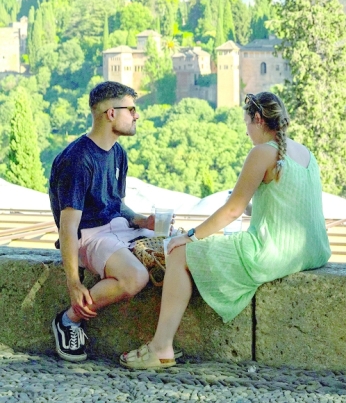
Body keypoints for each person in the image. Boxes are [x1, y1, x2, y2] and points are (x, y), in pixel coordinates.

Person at [119, 91, 330, 370]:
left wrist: (189, 236)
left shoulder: (262, 152)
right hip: (314, 251)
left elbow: (232, 210)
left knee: (179, 254)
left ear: (258, 119)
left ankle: (161, 347)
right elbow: (287, 204)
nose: (247, 132)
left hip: (275, 253)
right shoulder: (305, 153)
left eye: (247, 123)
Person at [48, 81, 157, 362]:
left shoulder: (118, 153)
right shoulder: (77, 160)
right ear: (111, 113)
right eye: (131, 109)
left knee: (178, 249)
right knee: (135, 277)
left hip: (118, 228)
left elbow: (116, 203)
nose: (136, 115)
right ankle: (68, 320)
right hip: (91, 235)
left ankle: (160, 345)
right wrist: (74, 283)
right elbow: (68, 227)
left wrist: (141, 220)